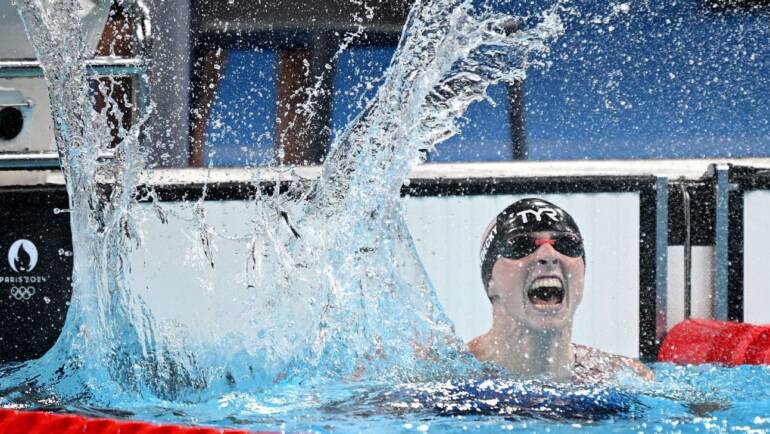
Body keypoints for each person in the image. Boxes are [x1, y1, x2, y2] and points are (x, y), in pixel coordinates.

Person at [467, 198, 653, 382]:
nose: (549, 255)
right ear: (490, 282)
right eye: (521, 245)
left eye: (566, 244)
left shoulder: (624, 377)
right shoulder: (458, 373)